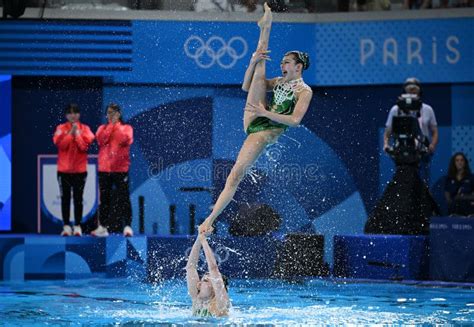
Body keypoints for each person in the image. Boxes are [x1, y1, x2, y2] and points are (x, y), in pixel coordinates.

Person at [199, 3, 313, 235]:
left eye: (286, 63)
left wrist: (264, 113)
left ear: (299, 67)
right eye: (281, 62)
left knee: (234, 176)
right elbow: (246, 86)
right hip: (257, 118)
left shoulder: (305, 91)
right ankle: (265, 27)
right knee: (260, 66)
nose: (282, 65)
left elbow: (294, 120)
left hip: (264, 131)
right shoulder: (280, 82)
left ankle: (209, 220)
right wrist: (252, 62)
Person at [383, 77, 438, 184]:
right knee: (402, 181)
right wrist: (386, 144)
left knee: (422, 182)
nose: (412, 92)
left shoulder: (427, 109)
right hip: (401, 149)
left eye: (414, 90)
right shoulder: (396, 109)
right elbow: (388, 131)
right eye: (409, 90)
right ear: (404, 92)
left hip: (422, 152)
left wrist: (432, 145)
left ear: (419, 92)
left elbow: (435, 132)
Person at [91, 103, 134, 237]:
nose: (111, 115)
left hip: (120, 169)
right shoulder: (102, 129)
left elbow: (125, 139)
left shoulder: (126, 128)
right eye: (109, 113)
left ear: (119, 114)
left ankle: (127, 226)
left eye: (114, 113)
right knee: (104, 199)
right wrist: (111, 127)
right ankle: (102, 227)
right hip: (105, 169)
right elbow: (100, 140)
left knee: (123, 197)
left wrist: (116, 126)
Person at [53, 103, 95, 236]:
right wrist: (71, 133)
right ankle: (66, 226)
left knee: (78, 198)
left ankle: (77, 226)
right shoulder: (60, 128)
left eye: (75, 112)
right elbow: (61, 145)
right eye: (70, 113)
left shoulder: (86, 129)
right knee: (65, 198)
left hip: (80, 171)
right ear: (66, 115)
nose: (73, 115)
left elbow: (84, 147)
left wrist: (77, 134)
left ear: (79, 114)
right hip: (63, 171)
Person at [186, 233, 230, 317]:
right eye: (201, 281)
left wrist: (204, 240)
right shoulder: (197, 300)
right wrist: (199, 238)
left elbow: (213, 268)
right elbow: (190, 267)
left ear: (215, 288)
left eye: (205, 281)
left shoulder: (221, 304)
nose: (198, 284)